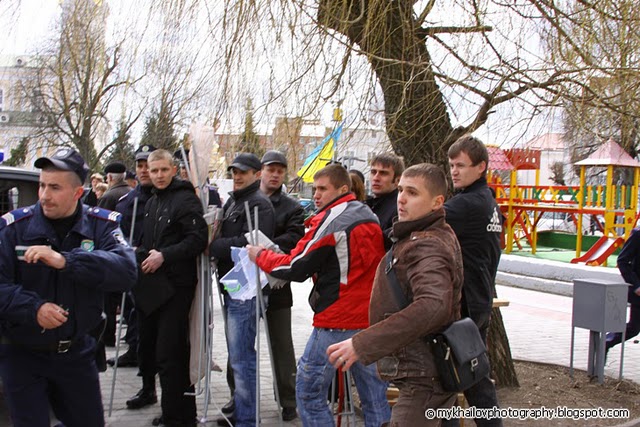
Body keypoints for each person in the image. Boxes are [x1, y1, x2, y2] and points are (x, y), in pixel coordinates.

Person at [0, 148, 137, 427]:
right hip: (22, 354)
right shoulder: (14, 228)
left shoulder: (101, 226)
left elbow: (126, 271)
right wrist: (34, 309)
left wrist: (67, 261)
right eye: (42, 185)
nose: (44, 195)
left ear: (77, 193)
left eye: (54, 188)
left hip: (75, 353)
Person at [247, 163, 391, 427]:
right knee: (374, 398)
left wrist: (261, 256)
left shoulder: (334, 219)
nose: (316, 195)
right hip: (369, 318)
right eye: (315, 189)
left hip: (337, 320)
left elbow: (297, 266)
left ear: (343, 189)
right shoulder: (366, 213)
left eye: (323, 189)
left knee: (308, 392)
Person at [327, 163, 463, 426]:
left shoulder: (428, 244)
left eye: (412, 192)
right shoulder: (423, 234)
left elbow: (433, 305)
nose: (401, 198)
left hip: (423, 378)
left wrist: (362, 344)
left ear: (437, 202)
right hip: (425, 371)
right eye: (400, 190)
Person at [132, 149, 208, 427]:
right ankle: (175, 412)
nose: (159, 175)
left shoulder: (185, 199)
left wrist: (165, 255)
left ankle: (178, 417)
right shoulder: (153, 200)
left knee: (170, 354)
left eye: (164, 170)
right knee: (157, 351)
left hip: (176, 286)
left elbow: (198, 239)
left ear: (174, 170)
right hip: (153, 287)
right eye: (154, 171)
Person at [210, 152, 275, 427]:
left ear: (256, 174)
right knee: (237, 355)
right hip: (233, 284)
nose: (237, 176)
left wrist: (215, 246)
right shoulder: (234, 201)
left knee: (242, 357)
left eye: (243, 172)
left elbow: (252, 244)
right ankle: (241, 410)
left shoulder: (259, 204)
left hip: (247, 289)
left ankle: (247, 419)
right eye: (234, 171)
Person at [443, 135, 503, 427]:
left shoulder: (465, 205)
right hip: (479, 301)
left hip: (464, 306)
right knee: (474, 380)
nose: (454, 171)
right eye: (452, 165)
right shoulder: (489, 201)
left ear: (481, 167)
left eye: (461, 165)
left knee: (449, 379)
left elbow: (417, 222)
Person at [260, 150, 304, 421]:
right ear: (261, 171)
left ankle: (288, 399)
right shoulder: (243, 201)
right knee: (240, 345)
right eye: (270, 169)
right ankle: (237, 397)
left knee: (282, 346)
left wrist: (262, 245)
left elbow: (294, 240)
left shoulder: (292, 207)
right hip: (244, 286)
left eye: (280, 171)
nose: (275, 175)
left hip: (277, 285)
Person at [107, 144, 157, 371]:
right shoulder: (127, 201)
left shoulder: (163, 197)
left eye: (148, 165)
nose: (144, 170)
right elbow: (118, 232)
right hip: (132, 263)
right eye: (140, 166)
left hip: (155, 265)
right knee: (131, 310)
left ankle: (148, 357)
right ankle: (134, 350)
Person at [607, 228, 640, 355]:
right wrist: (636, 286)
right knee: (634, 328)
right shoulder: (638, 234)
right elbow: (623, 261)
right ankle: (605, 342)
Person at [365, 153, 405, 250]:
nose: (376, 178)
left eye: (383, 173)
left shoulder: (400, 208)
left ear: (398, 180)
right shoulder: (366, 204)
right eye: (373, 172)